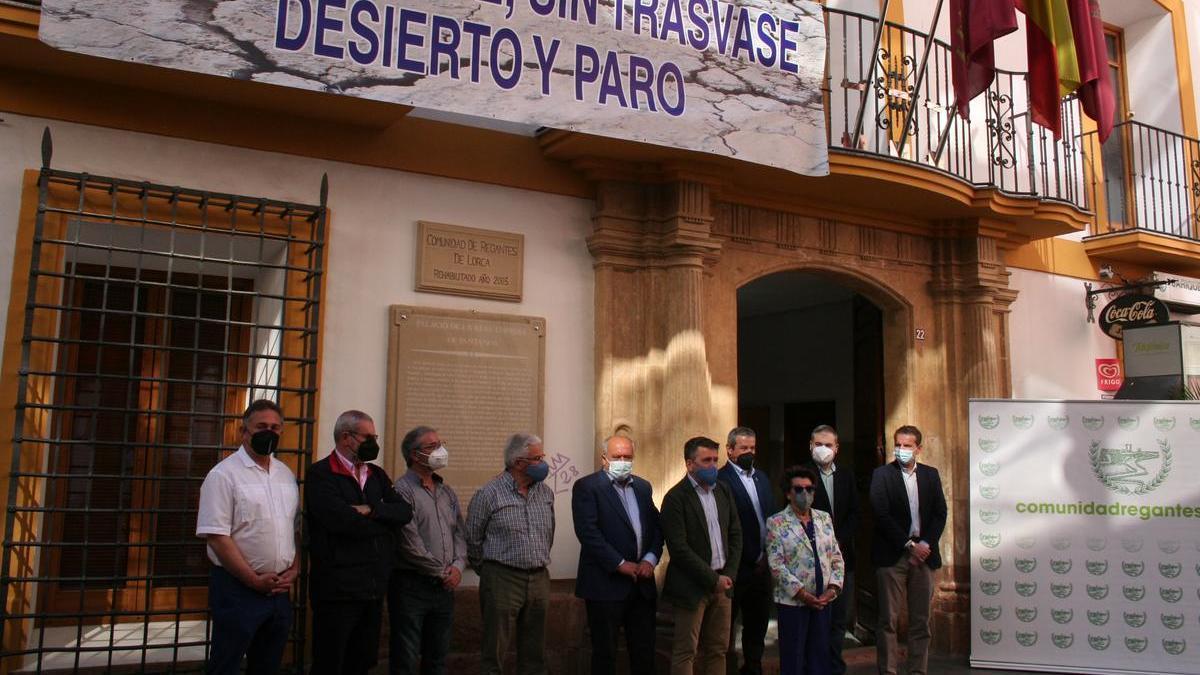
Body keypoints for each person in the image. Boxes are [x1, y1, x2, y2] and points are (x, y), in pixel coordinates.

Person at [196, 399, 299, 675]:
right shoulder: (223, 476)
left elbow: (293, 527)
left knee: (267, 665)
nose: (270, 432)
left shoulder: (285, 475)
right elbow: (217, 537)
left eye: (276, 428)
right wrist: (253, 580)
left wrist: (295, 568)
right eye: (262, 426)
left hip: (278, 590)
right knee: (226, 664)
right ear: (244, 432)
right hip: (237, 589)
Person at [307, 410, 413, 675]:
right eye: (368, 437)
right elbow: (342, 522)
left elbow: (403, 512)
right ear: (346, 437)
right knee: (331, 661)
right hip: (337, 590)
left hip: (373, 587)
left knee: (361, 661)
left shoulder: (376, 475)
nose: (373, 442)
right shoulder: (321, 474)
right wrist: (382, 521)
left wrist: (371, 510)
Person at [572, 435, 663, 675]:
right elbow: (588, 533)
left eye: (627, 457)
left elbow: (657, 528)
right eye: (617, 457)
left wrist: (650, 559)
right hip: (605, 585)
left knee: (644, 653)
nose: (623, 461)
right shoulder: (587, 487)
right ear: (604, 459)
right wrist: (620, 564)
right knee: (605, 655)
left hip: (641, 586)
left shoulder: (643, 487)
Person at [465, 432, 555, 675]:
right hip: (502, 578)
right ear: (518, 462)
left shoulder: (545, 493)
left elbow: (549, 533)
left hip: (539, 577)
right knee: (495, 650)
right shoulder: (489, 493)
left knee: (534, 652)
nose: (543, 463)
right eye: (537, 458)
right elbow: (472, 538)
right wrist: (490, 571)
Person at [661, 436, 743, 675]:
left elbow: (736, 534)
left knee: (718, 649)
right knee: (686, 650)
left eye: (715, 460)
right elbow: (678, 548)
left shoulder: (723, 491)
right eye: (706, 460)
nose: (712, 466)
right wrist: (711, 579)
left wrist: (728, 575)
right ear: (690, 464)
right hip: (692, 586)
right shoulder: (676, 498)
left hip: (723, 585)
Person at [869, 426, 947, 675]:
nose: (902, 450)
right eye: (898, 445)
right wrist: (908, 545)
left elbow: (939, 513)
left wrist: (925, 544)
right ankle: (888, 671)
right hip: (893, 554)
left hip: (924, 556)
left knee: (920, 622)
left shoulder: (930, 475)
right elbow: (881, 513)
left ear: (918, 448)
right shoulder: (882, 475)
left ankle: (917, 671)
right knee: (888, 621)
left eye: (907, 445)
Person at [389, 426, 467, 675]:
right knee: (406, 658)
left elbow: (459, 533)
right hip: (412, 586)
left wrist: (457, 567)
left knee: (437, 658)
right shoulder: (401, 491)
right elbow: (409, 542)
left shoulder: (446, 492)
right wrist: (442, 572)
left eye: (440, 444)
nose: (440, 450)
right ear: (414, 455)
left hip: (443, 589)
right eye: (432, 446)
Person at [766, 466, 844, 675]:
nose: (805, 494)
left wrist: (833, 589)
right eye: (799, 489)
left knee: (820, 657)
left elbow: (836, 556)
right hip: (794, 602)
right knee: (794, 659)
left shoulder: (824, 518)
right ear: (788, 493)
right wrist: (802, 594)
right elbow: (777, 565)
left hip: (823, 600)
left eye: (809, 489)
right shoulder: (777, 523)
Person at [717, 427, 776, 675]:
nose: (749, 452)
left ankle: (753, 666)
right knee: (727, 625)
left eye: (752, 448)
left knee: (758, 622)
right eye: (744, 448)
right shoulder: (721, 480)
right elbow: (728, 524)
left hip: (763, 566)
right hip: (737, 565)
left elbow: (771, 516)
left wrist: (767, 554)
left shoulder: (761, 478)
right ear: (730, 450)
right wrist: (751, 555)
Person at [805, 425, 858, 675]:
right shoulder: (803, 476)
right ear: (811, 446)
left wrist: (838, 539)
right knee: (815, 618)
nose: (823, 449)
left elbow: (855, 513)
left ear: (837, 448)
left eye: (828, 445)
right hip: (812, 559)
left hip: (842, 556)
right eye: (818, 444)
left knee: (838, 618)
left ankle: (835, 667)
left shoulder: (846, 476)